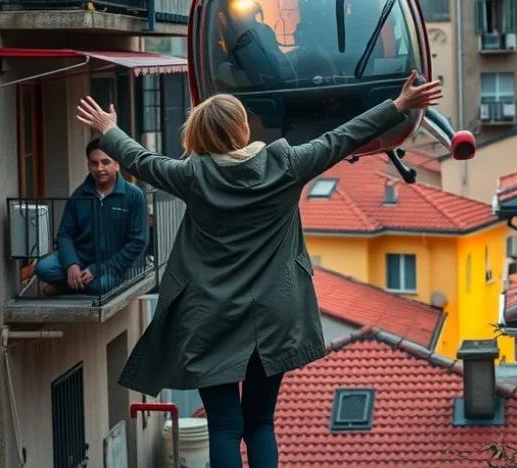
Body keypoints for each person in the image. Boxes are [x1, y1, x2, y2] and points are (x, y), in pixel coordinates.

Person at [75, 70, 441, 468]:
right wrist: (399, 105)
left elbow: (141, 160)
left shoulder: (193, 175)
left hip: (210, 319)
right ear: (241, 128)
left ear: (200, 135)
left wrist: (109, 129)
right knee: (261, 424)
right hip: (274, 317)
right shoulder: (285, 163)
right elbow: (342, 138)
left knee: (224, 428)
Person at [34, 139, 148, 297]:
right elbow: (65, 234)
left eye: (105, 162)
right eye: (94, 163)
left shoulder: (134, 195)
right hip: (81, 258)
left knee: (98, 287)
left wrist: (97, 269)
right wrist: (71, 265)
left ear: (117, 164)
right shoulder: (79, 195)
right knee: (42, 269)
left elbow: (138, 241)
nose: (99, 168)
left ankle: (64, 287)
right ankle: (75, 280)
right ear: (88, 165)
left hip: (112, 264)